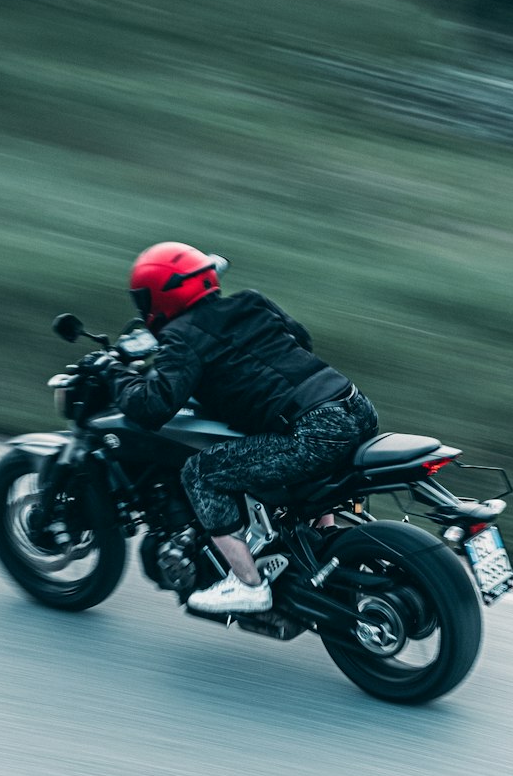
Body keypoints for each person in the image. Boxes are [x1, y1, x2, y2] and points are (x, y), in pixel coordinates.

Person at [102, 242, 378, 614]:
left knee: (201, 472)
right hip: (355, 406)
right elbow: (301, 341)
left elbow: (152, 408)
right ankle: (325, 544)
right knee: (298, 467)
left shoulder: (181, 337)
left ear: (157, 300)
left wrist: (114, 374)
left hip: (315, 430)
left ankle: (248, 584)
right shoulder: (251, 301)